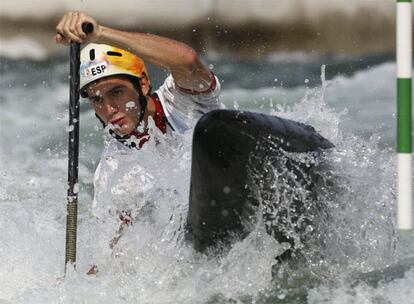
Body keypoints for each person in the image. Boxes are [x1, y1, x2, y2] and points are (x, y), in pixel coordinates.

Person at [54, 11, 221, 274]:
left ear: (143, 84)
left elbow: (187, 60)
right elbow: (115, 247)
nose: (109, 108)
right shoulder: (112, 171)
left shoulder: (182, 102)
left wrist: (100, 34)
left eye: (116, 92)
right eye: (97, 99)